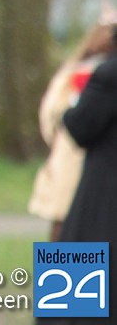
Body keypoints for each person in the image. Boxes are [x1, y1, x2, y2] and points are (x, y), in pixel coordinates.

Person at [33, 24, 117, 239]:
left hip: (96, 187)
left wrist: (69, 111)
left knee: (72, 246)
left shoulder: (105, 74)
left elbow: (72, 124)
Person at [60, 44, 117, 253]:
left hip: (104, 194)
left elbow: (80, 127)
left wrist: (69, 107)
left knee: (76, 262)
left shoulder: (109, 73)